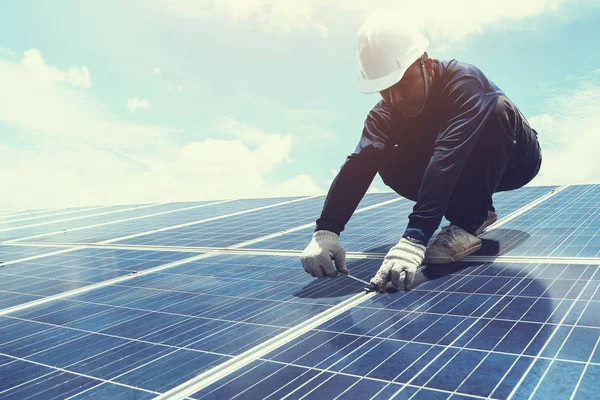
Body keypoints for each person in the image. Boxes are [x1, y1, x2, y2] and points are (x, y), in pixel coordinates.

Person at [299, 10, 542, 293]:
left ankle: (468, 221)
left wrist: (414, 239)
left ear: (425, 63)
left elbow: (446, 159)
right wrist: (326, 232)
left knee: (496, 108)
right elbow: (360, 164)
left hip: (516, 160)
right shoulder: (386, 112)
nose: (395, 98)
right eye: (384, 90)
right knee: (382, 155)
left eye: (402, 83)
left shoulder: (464, 82)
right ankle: (475, 207)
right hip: (462, 171)